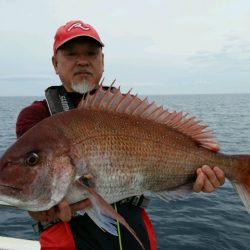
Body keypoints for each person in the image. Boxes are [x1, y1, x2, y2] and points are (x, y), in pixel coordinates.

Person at [16, 20, 225, 250]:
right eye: (71, 53)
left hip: (134, 233)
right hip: (69, 238)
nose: (83, 60)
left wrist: (200, 173)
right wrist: (38, 209)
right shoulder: (36, 116)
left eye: (91, 53)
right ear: (55, 63)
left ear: (102, 61)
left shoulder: (131, 111)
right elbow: (31, 179)